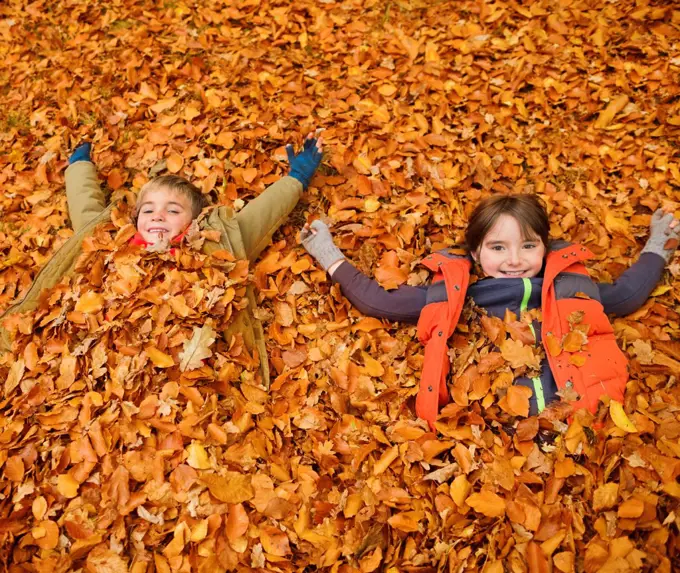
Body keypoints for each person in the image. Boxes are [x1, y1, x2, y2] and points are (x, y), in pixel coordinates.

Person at [301, 194, 680, 428]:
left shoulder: (573, 289)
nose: (514, 260)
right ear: (476, 254)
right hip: (490, 425)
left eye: (528, 246)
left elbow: (627, 295)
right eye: (498, 248)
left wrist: (659, 245)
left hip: (580, 420)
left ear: (545, 249)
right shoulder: (460, 293)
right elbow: (379, 302)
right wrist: (328, 255)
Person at [0, 136, 324, 387]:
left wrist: (298, 176)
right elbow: (84, 208)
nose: (158, 215)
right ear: (135, 218)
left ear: (193, 222)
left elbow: (260, 215)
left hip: (178, 363)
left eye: (172, 210)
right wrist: (79, 166)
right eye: (149, 209)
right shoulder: (113, 243)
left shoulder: (215, 247)